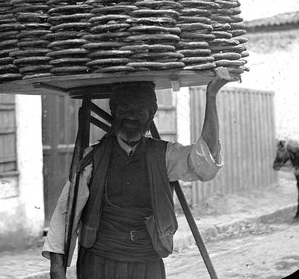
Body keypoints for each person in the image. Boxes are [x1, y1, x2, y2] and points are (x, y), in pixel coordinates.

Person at [42, 67, 234, 279]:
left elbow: (205, 164)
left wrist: (211, 96)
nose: (131, 115)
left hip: (146, 265)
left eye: (140, 108)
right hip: (98, 265)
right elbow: (65, 213)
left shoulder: (164, 156)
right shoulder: (92, 158)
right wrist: (57, 265)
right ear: (114, 112)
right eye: (125, 107)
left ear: (151, 115)